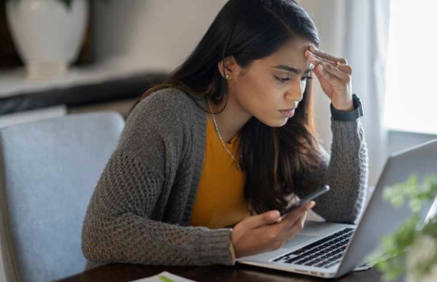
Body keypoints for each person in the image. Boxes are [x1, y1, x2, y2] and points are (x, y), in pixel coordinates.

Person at [81, 0, 367, 269]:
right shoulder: (167, 114)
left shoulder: (275, 126)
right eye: (282, 77)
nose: (297, 93)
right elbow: (103, 232)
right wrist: (228, 245)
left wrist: (345, 108)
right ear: (229, 66)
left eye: (304, 78)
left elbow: (342, 209)